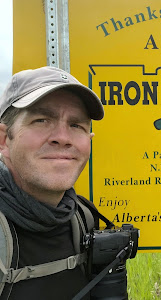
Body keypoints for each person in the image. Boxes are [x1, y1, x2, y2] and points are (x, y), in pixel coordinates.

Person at [0, 66, 104, 299]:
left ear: (89, 141)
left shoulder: (84, 218)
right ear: (4, 139)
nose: (63, 138)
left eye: (76, 125)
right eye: (42, 120)